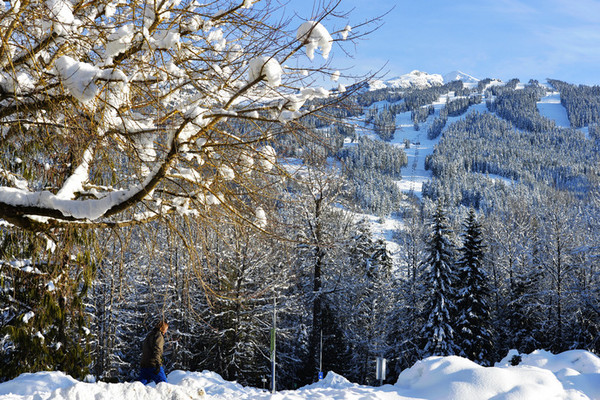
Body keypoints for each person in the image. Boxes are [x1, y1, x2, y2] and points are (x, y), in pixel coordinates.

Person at [138, 320, 168, 384]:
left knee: (140, 385)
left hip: (144, 363)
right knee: (163, 384)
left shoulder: (150, 334)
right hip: (153, 364)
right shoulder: (159, 336)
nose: (166, 331)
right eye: (166, 329)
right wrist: (158, 364)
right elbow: (157, 350)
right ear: (163, 328)